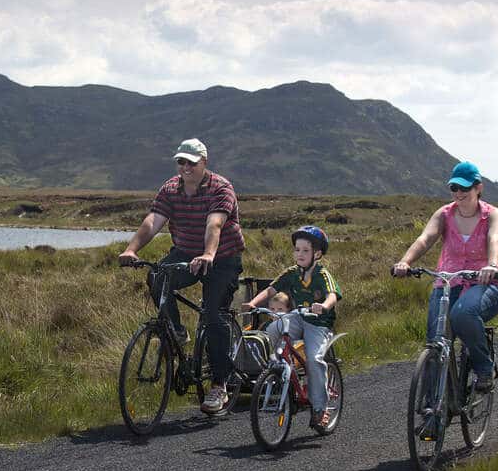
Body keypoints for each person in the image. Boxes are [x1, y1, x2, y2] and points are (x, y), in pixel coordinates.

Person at [119, 138, 245, 415]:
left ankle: (219, 385)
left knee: (214, 315)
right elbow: (153, 221)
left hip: (222, 258)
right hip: (186, 252)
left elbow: (215, 223)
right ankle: (176, 330)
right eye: (181, 162)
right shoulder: (170, 188)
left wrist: (209, 254)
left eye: (192, 162)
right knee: (156, 278)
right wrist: (131, 249)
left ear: (204, 163)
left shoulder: (220, 188)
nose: (185, 167)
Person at [392, 160, 498, 392]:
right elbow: (425, 239)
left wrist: (492, 265)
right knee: (436, 342)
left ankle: (484, 368)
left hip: (486, 283)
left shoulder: (493, 215)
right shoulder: (444, 214)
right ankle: (430, 415)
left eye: (464, 188)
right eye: (454, 188)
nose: (458, 193)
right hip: (448, 282)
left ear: (478, 188)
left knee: (463, 314)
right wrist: (405, 261)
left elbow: (495, 240)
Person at [244, 225, 341, 430]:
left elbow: (332, 294)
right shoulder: (291, 273)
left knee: (314, 360)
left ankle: (319, 409)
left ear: (317, 253)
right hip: (298, 317)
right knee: (273, 328)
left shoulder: (323, 274)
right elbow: (272, 289)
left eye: (305, 250)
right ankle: (282, 369)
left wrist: (324, 306)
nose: (300, 254)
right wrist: (253, 303)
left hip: (319, 324)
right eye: (297, 249)